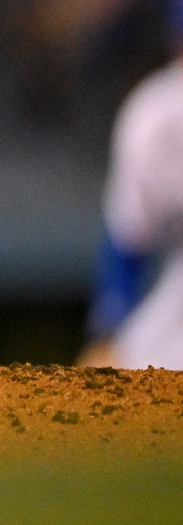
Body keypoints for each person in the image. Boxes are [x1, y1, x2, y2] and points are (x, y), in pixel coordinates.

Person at [81, 28, 183, 370]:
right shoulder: (157, 111)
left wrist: (107, 332)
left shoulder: (154, 108)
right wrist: (108, 331)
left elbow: (126, 240)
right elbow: (128, 238)